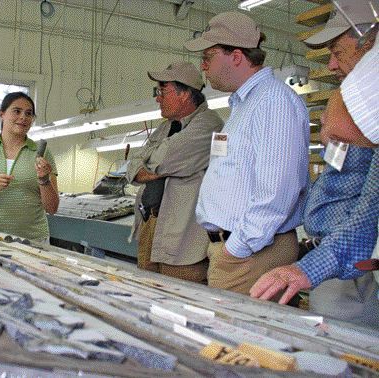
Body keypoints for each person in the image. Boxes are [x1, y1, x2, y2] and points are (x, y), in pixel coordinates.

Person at [250, 2, 379, 326]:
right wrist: (308, 268)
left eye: (338, 51)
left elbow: (367, 212)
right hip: (338, 255)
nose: (332, 64)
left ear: (370, 39)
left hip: (352, 267)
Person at [184, 12, 309, 295]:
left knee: (238, 337)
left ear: (236, 56)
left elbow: (277, 190)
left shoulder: (273, 101)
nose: (203, 66)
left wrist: (236, 248)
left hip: (252, 254)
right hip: (240, 252)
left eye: (208, 56)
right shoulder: (245, 104)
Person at [126, 62, 223, 283]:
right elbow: (134, 164)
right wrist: (153, 168)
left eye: (163, 90)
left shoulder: (208, 125)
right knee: (147, 296)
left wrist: (151, 166)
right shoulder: (165, 127)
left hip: (183, 239)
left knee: (179, 301)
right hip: (151, 226)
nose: (157, 97)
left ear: (185, 93)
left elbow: (163, 159)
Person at [0, 92, 59, 243]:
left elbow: (52, 208)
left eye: (29, 114)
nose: (23, 117)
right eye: (17, 111)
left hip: (34, 241)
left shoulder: (42, 153)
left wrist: (44, 180)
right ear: (1, 114)